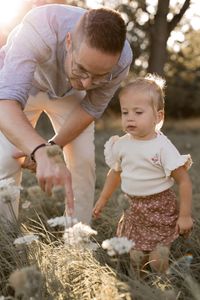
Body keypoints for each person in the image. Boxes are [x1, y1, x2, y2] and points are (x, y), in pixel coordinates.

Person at [0, 4, 133, 224]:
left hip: (68, 95)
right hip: (22, 86)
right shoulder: (38, 29)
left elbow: (90, 107)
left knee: (82, 159)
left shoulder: (121, 60)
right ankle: (6, 233)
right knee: (6, 159)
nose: (87, 83)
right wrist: (39, 152)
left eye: (99, 76)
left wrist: (53, 148)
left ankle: (78, 237)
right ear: (69, 42)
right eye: (81, 68)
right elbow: (5, 104)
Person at [93, 74, 193, 273]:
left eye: (138, 112)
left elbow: (184, 182)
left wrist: (185, 216)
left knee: (156, 261)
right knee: (136, 259)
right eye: (125, 112)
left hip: (159, 208)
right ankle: (139, 287)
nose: (130, 117)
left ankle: (160, 285)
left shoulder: (162, 147)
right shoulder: (121, 144)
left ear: (158, 116)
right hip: (134, 209)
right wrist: (103, 199)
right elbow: (115, 173)